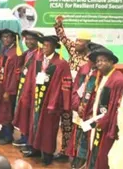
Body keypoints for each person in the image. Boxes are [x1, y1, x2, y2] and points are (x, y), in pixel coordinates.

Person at [22, 35, 71, 166]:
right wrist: (26, 96)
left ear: (55, 47)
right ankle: (36, 149)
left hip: (51, 102)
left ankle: (47, 154)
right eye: (43, 45)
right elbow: (29, 80)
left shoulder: (61, 63)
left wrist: (61, 104)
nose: (44, 48)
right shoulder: (38, 59)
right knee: (35, 125)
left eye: (47, 45)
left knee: (48, 129)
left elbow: (66, 85)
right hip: (36, 99)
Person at [54, 15, 92, 159]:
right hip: (67, 93)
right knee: (66, 123)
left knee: (79, 125)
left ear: (87, 44)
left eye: (80, 41)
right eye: (76, 40)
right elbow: (62, 37)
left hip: (81, 97)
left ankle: (78, 153)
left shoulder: (92, 59)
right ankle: (64, 151)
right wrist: (59, 24)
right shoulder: (73, 51)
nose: (76, 43)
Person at [84, 47, 123, 169]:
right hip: (97, 121)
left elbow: (115, 108)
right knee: (94, 150)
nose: (99, 63)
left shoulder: (118, 80)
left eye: (103, 60)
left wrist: (102, 122)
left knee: (102, 156)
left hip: (106, 126)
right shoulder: (103, 76)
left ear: (111, 62)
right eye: (98, 61)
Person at [66, 42, 103, 169]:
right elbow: (76, 88)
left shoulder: (101, 74)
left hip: (91, 112)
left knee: (87, 136)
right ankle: (77, 157)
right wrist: (77, 105)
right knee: (77, 133)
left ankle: (84, 160)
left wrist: (88, 109)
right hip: (80, 109)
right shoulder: (84, 69)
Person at [12, 29, 42, 147]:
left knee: (29, 114)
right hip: (23, 87)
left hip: (31, 89)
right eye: (27, 39)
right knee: (23, 113)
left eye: (32, 39)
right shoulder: (27, 53)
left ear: (37, 41)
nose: (28, 41)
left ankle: (29, 139)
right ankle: (24, 136)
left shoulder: (38, 54)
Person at [0, 29, 21, 145]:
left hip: (8, 88)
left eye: (8, 37)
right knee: (2, 110)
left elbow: (15, 75)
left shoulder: (15, 53)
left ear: (13, 39)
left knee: (7, 111)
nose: (5, 39)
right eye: (3, 37)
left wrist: (8, 91)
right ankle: (3, 131)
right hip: (2, 85)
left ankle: (8, 136)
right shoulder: (5, 50)